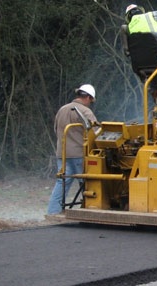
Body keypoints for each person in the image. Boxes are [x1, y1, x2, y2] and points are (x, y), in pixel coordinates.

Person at [46, 84, 98, 215]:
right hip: (79, 153)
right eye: (91, 100)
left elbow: (55, 129)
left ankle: (53, 212)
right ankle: (90, 210)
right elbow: (96, 133)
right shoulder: (85, 111)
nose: (90, 103)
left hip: (62, 153)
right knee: (87, 183)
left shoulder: (62, 109)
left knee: (62, 182)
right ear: (87, 97)